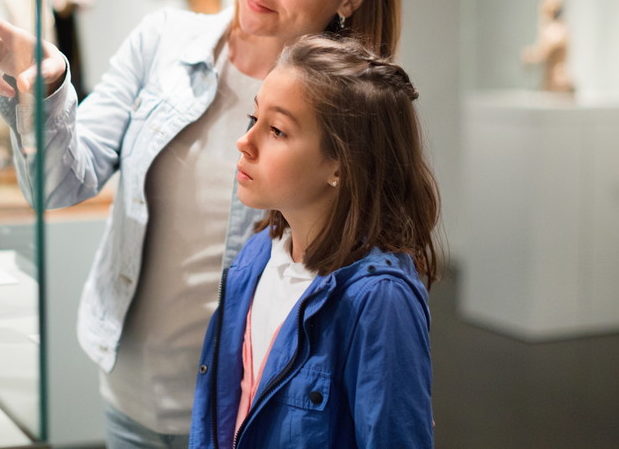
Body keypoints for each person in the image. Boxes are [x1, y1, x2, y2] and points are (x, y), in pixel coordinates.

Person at [0, 0, 403, 448]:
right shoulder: (163, 41)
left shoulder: (350, 112)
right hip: (133, 393)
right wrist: (43, 96)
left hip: (250, 412)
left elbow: (363, 286)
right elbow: (58, 185)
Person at [189, 35, 440, 448]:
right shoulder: (257, 254)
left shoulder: (379, 301)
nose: (245, 142)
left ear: (340, 164)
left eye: (277, 131)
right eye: (254, 120)